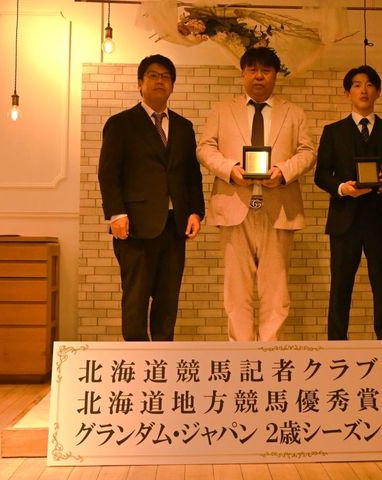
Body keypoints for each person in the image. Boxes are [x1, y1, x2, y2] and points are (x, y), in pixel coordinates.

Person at [197, 47, 315, 341]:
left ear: (275, 75)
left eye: (266, 70)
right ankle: (241, 354)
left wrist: (283, 172)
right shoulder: (222, 110)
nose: (259, 76)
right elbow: (205, 148)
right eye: (252, 69)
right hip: (234, 206)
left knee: (276, 289)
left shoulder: (294, 113)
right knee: (236, 289)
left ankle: (270, 352)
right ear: (243, 74)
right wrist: (230, 169)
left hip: (280, 207)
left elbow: (307, 151)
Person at [98, 54, 205, 341]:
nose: (160, 81)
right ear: (140, 83)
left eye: (166, 77)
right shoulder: (121, 123)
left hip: (174, 225)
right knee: (136, 298)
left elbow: (192, 174)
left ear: (172, 85)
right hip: (135, 226)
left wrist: (196, 211)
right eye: (153, 75)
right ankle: (136, 357)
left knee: (167, 300)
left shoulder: (184, 127)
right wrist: (116, 214)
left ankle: (162, 357)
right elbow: (108, 173)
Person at [314, 65, 382, 340]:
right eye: (357, 85)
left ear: (378, 91)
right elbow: (321, 174)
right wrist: (342, 188)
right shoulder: (333, 131)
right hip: (344, 219)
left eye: (370, 84)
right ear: (347, 92)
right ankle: (336, 345)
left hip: (381, 220)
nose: (363, 90)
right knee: (340, 286)